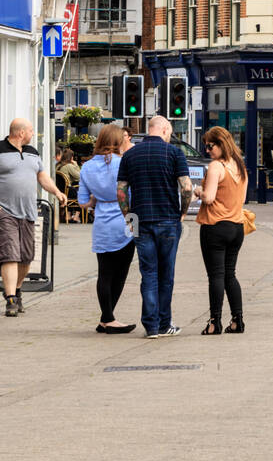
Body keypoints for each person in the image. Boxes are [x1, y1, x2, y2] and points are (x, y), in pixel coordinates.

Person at [117, 115, 192, 338]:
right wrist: (183, 212)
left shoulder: (130, 155)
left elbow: (121, 190)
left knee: (148, 273)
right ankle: (164, 323)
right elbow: (186, 188)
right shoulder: (175, 153)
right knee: (166, 275)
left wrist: (128, 217)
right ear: (165, 129)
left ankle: (150, 326)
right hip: (168, 219)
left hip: (140, 220)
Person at [0, 118, 67, 317]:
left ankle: (17, 289)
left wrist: (56, 192)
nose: (33, 134)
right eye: (30, 130)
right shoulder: (0, 150)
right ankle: (11, 299)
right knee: (10, 254)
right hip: (5, 212)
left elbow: (42, 177)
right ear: (21, 133)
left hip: (29, 212)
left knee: (27, 258)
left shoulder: (32, 152)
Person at [78, 124, 136, 333]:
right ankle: (108, 318)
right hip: (129, 218)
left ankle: (107, 317)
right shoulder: (125, 162)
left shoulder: (87, 167)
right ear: (118, 141)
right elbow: (133, 193)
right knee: (122, 272)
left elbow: (83, 202)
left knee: (105, 272)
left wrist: (97, 197)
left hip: (102, 220)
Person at [194, 126, 248, 334]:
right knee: (230, 275)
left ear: (221, 144)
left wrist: (199, 190)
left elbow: (209, 197)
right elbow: (241, 200)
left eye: (210, 146)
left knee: (215, 276)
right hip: (236, 227)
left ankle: (214, 322)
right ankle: (237, 320)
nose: (207, 150)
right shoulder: (240, 166)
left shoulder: (216, 166)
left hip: (215, 226)